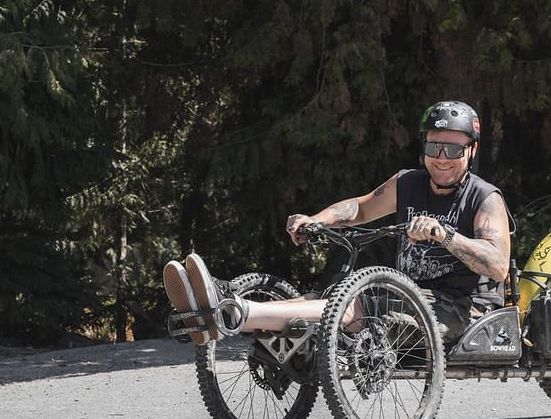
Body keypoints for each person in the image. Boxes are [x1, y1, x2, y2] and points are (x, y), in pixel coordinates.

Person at [163, 101, 512, 346]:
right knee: (329, 297)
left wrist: (446, 235)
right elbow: (358, 209)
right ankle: (224, 311)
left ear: (472, 150)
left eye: (453, 150)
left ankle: (240, 312)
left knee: (354, 304)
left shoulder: (484, 197)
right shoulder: (409, 183)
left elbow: (497, 266)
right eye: (435, 148)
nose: (442, 159)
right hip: (408, 297)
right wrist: (317, 220)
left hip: (464, 310)